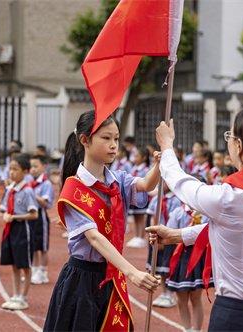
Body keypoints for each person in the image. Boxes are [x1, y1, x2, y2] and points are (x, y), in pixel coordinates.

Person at [148, 105, 243, 331]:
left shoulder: (228, 199)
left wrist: (167, 146)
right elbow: (237, 228)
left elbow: (180, 183)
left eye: (230, 136)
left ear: (238, 145)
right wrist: (179, 235)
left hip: (237, 316)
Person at [44, 110, 160, 331]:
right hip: (82, 280)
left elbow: (146, 185)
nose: (113, 145)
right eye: (106, 138)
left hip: (112, 274)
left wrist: (160, 163)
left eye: (116, 138)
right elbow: (95, 238)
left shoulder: (118, 181)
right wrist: (132, 272)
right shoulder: (73, 189)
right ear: (85, 140)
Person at [0, 153, 38, 310]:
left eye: (15, 169)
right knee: (14, 264)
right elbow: (3, 208)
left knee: (24, 265)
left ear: (25, 171)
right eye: (10, 169)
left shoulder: (27, 191)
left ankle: (23, 297)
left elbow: (34, 214)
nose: (11, 172)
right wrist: (6, 215)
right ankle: (15, 295)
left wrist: (15, 217)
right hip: (10, 229)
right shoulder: (10, 190)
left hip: (23, 229)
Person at [166, 205, 210, 332]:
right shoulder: (178, 212)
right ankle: (187, 329)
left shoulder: (205, 212)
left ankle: (197, 329)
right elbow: (169, 232)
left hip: (198, 256)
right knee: (181, 297)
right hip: (181, 256)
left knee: (196, 297)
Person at [146, 182, 181, 308]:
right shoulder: (156, 198)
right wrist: (153, 234)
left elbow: (173, 220)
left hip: (168, 238)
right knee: (158, 266)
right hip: (156, 237)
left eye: (165, 181)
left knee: (168, 267)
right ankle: (164, 292)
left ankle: (170, 293)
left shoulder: (176, 200)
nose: (162, 184)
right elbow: (151, 217)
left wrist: (165, 236)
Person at [29, 154, 55, 285]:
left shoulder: (46, 183)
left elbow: (46, 203)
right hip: (30, 215)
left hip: (41, 216)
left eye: (35, 166)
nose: (32, 169)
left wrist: (32, 194)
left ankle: (43, 272)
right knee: (33, 245)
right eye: (31, 166)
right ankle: (34, 269)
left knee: (43, 246)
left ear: (43, 167)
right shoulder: (30, 182)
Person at [126, 147, 150, 249]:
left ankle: (141, 237)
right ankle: (136, 236)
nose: (135, 158)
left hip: (141, 197)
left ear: (144, 158)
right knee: (135, 217)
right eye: (134, 156)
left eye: (137, 156)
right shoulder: (133, 168)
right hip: (133, 196)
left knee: (141, 218)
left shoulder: (146, 170)